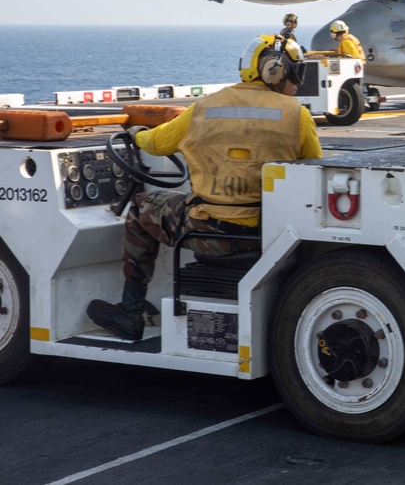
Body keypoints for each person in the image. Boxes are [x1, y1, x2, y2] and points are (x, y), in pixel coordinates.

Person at [86, 35, 323, 341]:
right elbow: (314, 166)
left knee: (142, 205)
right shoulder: (297, 114)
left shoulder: (205, 106)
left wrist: (135, 134)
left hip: (208, 233)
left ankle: (130, 312)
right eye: (296, 73)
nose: (297, 81)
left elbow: (156, 143)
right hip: (266, 235)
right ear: (276, 71)